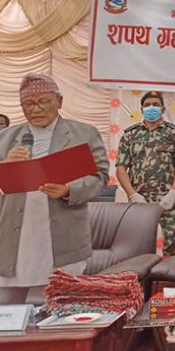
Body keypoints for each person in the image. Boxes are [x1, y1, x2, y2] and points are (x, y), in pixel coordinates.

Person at [0, 74, 109, 304]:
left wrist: (68, 189)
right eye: (29, 104)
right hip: (14, 237)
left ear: (59, 101)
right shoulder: (5, 138)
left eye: (43, 101)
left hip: (63, 237)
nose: (36, 109)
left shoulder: (84, 134)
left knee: (55, 309)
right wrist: (5, 167)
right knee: (7, 312)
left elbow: (100, 178)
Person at [116, 91, 175, 255]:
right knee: (136, 242)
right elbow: (121, 168)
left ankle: (169, 278)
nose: (151, 108)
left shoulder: (174, 133)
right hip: (139, 197)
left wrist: (173, 193)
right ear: (141, 109)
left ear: (162, 109)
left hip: (168, 196)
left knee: (174, 241)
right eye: (147, 105)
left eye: (155, 105)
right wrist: (132, 194)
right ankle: (140, 279)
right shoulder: (130, 134)